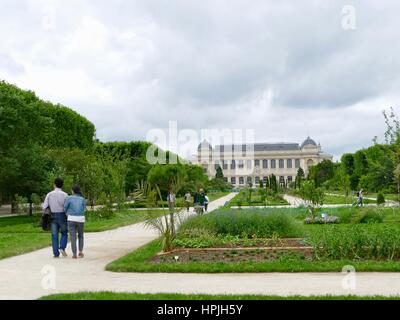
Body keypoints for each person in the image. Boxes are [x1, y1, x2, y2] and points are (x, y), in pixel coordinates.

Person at [42, 177, 68, 258]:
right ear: (62, 185)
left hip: (52, 216)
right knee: (64, 232)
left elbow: (44, 206)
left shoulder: (49, 194)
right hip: (62, 215)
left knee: (54, 235)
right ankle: (62, 247)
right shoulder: (65, 195)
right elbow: (67, 207)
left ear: (54, 184)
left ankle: (56, 253)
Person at [64, 185, 86, 259]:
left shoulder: (69, 198)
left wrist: (67, 214)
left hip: (71, 218)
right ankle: (80, 251)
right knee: (81, 236)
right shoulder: (82, 199)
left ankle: (74, 254)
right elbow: (84, 209)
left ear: (72, 191)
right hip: (80, 219)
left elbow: (65, 208)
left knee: (73, 237)